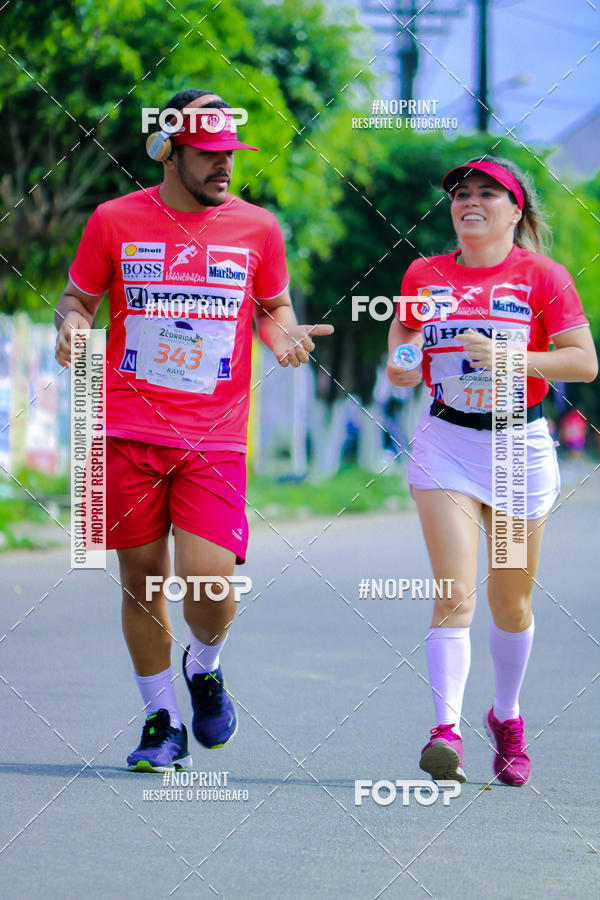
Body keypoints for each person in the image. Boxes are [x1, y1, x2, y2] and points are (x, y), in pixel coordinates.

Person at [54, 89, 333, 772]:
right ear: (170, 153)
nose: (224, 167)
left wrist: (284, 336)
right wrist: (72, 324)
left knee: (211, 586)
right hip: (124, 428)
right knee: (142, 580)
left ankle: (204, 665)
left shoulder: (258, 228)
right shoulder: (113, 220)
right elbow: (78, 297)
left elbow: (272, 309)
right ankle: (161, 719)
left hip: (214, 436)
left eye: (230, 155)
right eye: (208, 155)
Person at [386, 156, 597, 785]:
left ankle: (506, 717)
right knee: (454, 593)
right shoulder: (424, 274)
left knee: (511, 601)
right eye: (460, 194)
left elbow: (583, 363)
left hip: (516, 451)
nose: (469, 202)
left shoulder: (544, 276)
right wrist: (400, 362)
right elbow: (401, 349)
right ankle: (443, 731)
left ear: (516, 210)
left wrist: (516, 357)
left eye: (486, 193)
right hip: (447, 442)